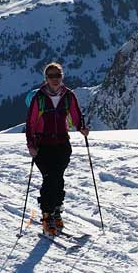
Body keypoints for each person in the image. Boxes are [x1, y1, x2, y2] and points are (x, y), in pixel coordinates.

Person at [24, 61, 86, 236]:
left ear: (62, 77)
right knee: (50, 178)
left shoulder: (68, 96)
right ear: (46, 78)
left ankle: (55, 212)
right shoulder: (40, 98)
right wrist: (31, 145)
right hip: (42, 146)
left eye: (57, 75)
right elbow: (31, 123)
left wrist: (82, 127)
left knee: (58, 178)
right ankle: (47, 215)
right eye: (51, 76)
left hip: (62, 145)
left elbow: (76, 115)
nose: (54, 79)